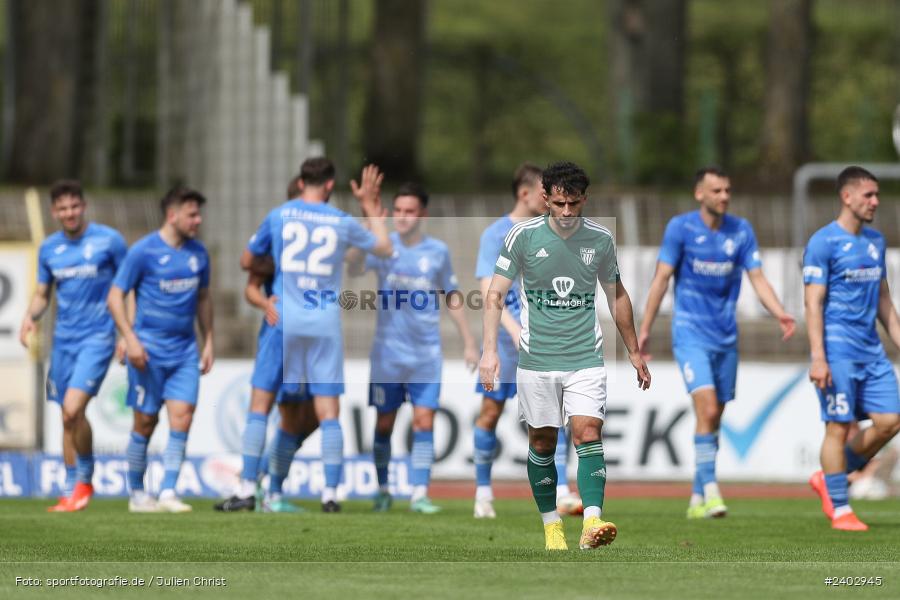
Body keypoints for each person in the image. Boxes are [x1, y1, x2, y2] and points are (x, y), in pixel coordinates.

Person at [479, 161, 651, 551]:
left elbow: (617, 295)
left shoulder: (600, 240)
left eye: (575, 203)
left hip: (585, 358)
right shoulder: (521, 237)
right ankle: (551, 525)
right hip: (536, 360)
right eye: (560, 204)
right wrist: (490, 352)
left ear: (585, 199)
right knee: (541, 442)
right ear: (545, 199)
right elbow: (494, 295)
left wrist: (634, 351)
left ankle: (592, 521)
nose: (568, 212)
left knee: (588, 432)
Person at [638, 167, 795, 519]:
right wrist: (644, 328)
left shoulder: (741, 231)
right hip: (690, 332)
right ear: (700, 194)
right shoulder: (681, 228)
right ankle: (711, 491)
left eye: (727, 190)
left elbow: (758, 278)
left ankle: (696, 496)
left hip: (726, 336)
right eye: (717, 190)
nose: (724, 196)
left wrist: (780, 312)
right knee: (707, 408)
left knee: (714, 416)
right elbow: (661, 279)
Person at [241, 158, 392, 513]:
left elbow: (248, 259)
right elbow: (383, 248)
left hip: (283, 319)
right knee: (328, 413)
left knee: (260, 407)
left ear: (301, 180)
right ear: (329, 185)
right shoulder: (339, 220)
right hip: (322, 324)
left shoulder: (279, 215)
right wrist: (370, 207)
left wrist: (271, 279)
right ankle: (330, 495)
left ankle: (248, 487)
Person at [347, 182, 479, 513]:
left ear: (422, 214)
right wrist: (367, 222)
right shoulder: (383, 245)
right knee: (384, 425)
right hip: (387, 356)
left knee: (424, 421)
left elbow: (451, 296)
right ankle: (382, 489)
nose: (403, 218)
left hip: (426, 356)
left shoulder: (437, 252)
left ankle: (419, 493)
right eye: (398, 211)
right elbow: (352, 266)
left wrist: (469, 342)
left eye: (410, 211)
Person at [472, 164, 581, 519]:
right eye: (543, 192)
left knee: (555, 413)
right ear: (525, 194)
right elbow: (487, 288)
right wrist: (513, 330)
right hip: (507, 344)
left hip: (546, 343)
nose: (550, 198)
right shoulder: (496, 233)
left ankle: (563, 491)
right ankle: (483, 493)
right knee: (490, 413)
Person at [19, 180, 126, 512]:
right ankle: (72, 488)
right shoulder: (49, 248)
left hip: (98, 338)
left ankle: (84, 477)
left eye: (74, 206)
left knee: (71, 408)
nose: (69, 213)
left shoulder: (109, 241)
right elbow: (42, 294)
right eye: (62, 208)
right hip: (63, 342)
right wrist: (29, 317)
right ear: (54, 212)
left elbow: (125, 289)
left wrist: (126, 333)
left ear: (84, 206)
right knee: (68, 418)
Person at [804, 166, 900, 531]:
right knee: (838, 426)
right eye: (869, 195)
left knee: (890, 421)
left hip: (871, 351)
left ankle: (829, 477)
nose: (875, 201)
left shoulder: (875, 242)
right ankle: (841, 508)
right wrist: (818, 356)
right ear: (847, 197)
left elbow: (885, 303)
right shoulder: (823, 243)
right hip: (837, 351)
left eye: (877, 195)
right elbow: (812, 303)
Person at [107, 186, 214, 513]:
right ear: (172, 215)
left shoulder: (199, 254)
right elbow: (115, 297)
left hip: (184, 352)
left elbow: (204, 297)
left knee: (182, 418)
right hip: (148, 353)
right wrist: (129, 338)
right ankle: (138, 494)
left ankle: (168, 491)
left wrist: (208, 339)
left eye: (199, 213)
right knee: (145, 423)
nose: (198, 220)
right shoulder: (142, 251)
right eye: (192, 214)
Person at [215, 174, 318, 513]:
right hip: (284, 332)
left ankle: (258, 481)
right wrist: (265, 304)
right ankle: (268, 490)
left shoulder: (313, 245)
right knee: (291, 413)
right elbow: (251, 283)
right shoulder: (279, 241)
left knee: (310, 416)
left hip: (310, 334)